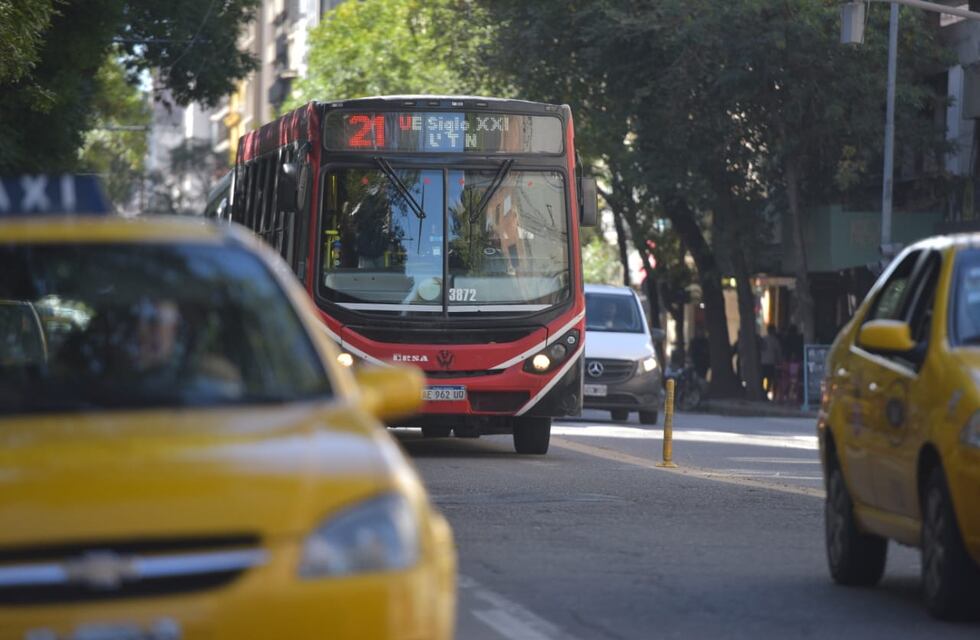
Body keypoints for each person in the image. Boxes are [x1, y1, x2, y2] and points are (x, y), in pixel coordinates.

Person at [760, 324, 782, 395]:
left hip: (763, 362)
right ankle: (766, 392)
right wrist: (779, 360)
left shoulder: (763, 339)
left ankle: (763, 391)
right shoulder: (775, 340)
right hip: (771, 362)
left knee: (762, 377)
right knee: (770, 378)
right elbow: (778, 352)